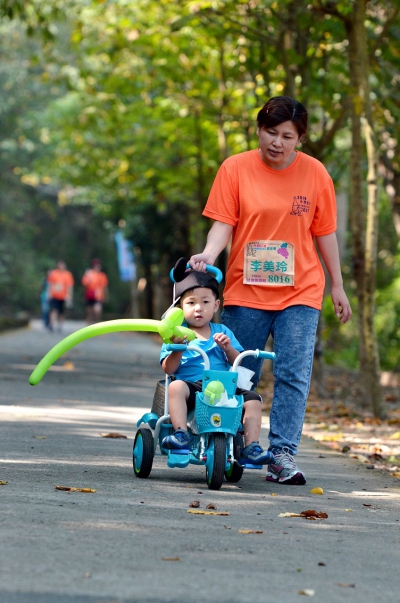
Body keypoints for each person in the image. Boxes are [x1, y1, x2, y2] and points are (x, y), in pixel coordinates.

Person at [190, 95, 352, 485]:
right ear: (258, 130)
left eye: (287, 136)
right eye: (270, 132)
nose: (277, 143)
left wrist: (338, 286)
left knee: (293, 373)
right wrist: (209, 254)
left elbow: (324, 233)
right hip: (247, 289)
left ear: (300, 139)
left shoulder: (315, 175)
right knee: (238, 371)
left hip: (302, 290)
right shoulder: (235, 169)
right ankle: (231, 443)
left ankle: (282, 454)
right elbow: (224, 223)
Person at [160, 262, 275, 466]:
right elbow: (168, 369)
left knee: (254, 399)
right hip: (193, 387)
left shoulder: (222, 330)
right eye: (191, 303)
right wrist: (177, 349)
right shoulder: (176, 334)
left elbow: (237, 360)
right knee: (176, 386)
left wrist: (227, 348)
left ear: (215, 305)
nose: (198, 308)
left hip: (224, 388)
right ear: (180, 308)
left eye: (205, 302)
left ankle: (252, 445)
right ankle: (181, 435)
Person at [47, 260, 74, 332]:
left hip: (63, 296)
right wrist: (49, 294)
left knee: (61, 312)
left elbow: (69, 286)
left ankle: (60, 325)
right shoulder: (54, 273)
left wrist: (69, 296)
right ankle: (52, 324)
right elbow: (50, 284)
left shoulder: (68, 274)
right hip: (55, 295)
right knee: (54, 310)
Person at [81, 259, 108, 324]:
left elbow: (104, 287)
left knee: (97, 310)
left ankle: (97, 324)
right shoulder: (89, 274)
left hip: (98, 296)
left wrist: (105, 296)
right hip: (90, 295)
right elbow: (84, 284)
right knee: (89, 311)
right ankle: (88, 325)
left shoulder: (102, 275)